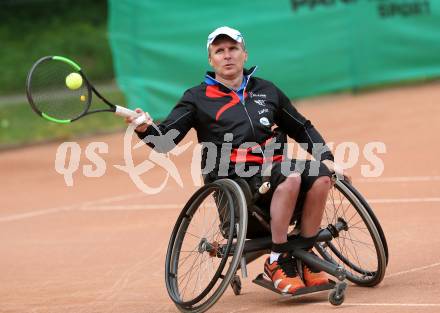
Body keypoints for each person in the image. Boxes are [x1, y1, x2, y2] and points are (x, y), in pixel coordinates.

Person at [126, 26, 348, 294]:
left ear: (245, 54)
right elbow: (164, 141)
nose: (227, 55)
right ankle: (277, 261)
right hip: (235, 181)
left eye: (233, 49)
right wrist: (144, 128)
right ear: (211, 60)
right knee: (290, 176)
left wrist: (327, 158)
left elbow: (301, 128)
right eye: (219, 51)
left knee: (322, 175)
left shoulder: (267, 90)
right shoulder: (196, 99)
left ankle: (305, 254)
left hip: (275, 169)